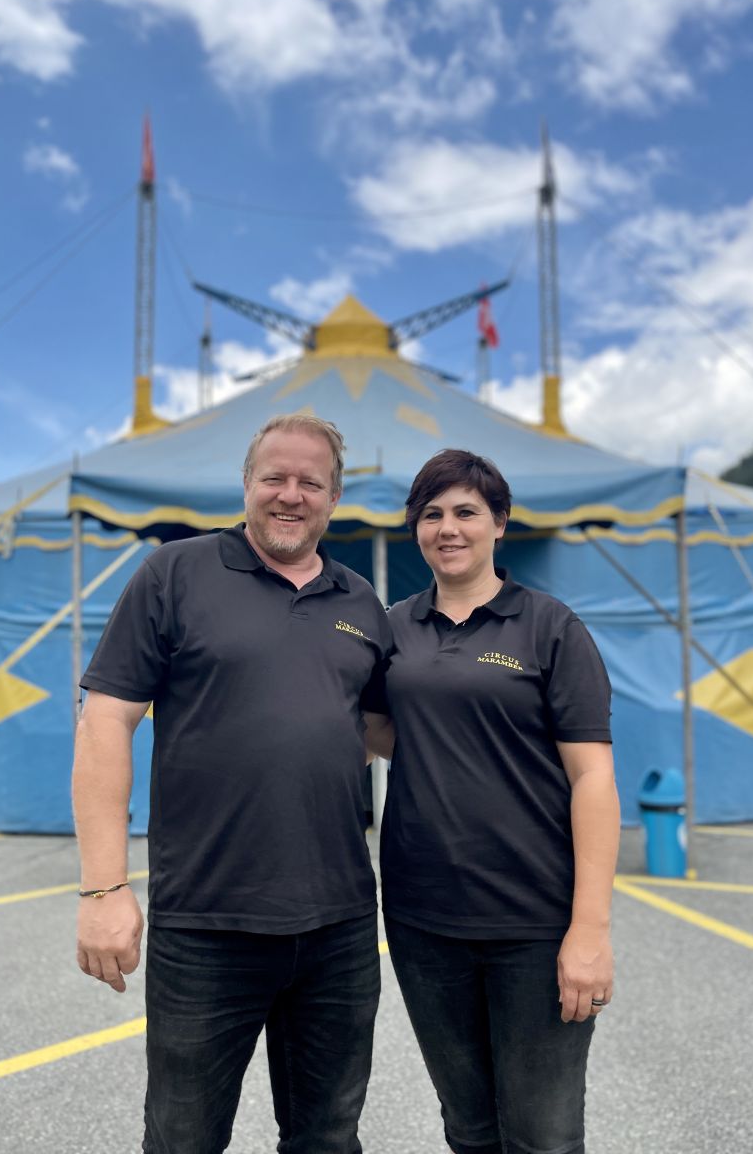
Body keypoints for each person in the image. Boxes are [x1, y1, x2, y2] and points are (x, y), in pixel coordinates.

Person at [72, 414, 392, 1154]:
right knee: (183, 1140)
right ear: (246, 484)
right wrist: (102, 888)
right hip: (206, 923)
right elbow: (106, 721)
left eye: (310, 482)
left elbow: (378, 731)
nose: (290, 495)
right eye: (274, 477)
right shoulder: (175, 574)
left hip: (339, 925)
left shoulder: (359, 602)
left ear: (334, 498)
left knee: (328, 1139)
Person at [378, 449, 619, 1154]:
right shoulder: (392, 629)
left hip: (534, 921)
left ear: (500, 523)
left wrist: (590, 930)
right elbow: (373, 732)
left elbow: (593, 779)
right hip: (423, 920)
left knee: (543, 1136)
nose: (447, 529)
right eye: (431, 515)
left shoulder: (550, 627)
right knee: (470, 1128)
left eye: (466, 512)